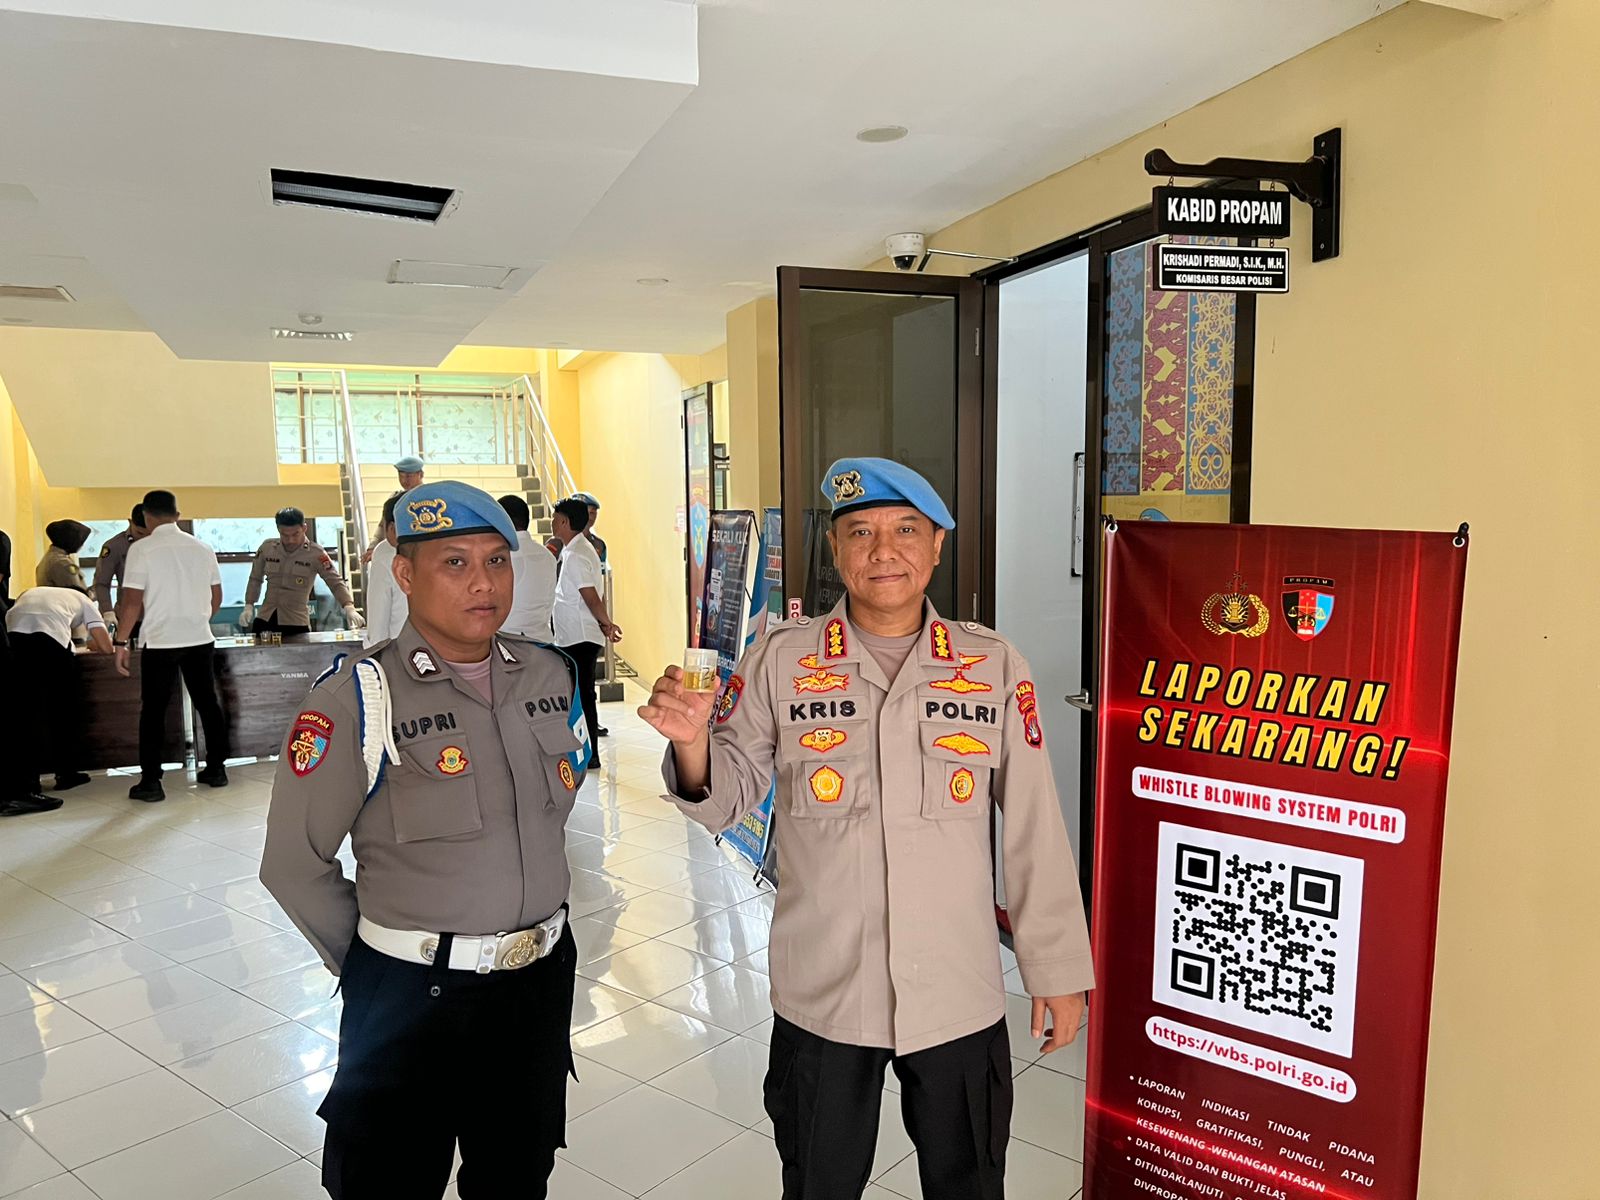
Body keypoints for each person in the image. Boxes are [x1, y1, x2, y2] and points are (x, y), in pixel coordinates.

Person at [639, 457, 1095, 1200]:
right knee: (818, 1183)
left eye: (906, 530)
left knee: (970, 1184)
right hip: (824, 991)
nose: (884, 551)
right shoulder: (781, 660)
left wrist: (1058, 970)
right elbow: (725, 800)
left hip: (956, 991)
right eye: (861, 533)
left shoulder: (991, 665)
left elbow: (1035, 826)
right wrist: (693, 744)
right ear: (836, 549)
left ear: (938, 544)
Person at [260, 481, 589, 1200]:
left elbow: (551, 813)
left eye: (497, 560)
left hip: (536, 984)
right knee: (389, 1183)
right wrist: (381, 961)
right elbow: (291, 864)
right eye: (455, 563)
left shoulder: (549, 674)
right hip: (411, 998)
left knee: (517, 1176)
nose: (484, 583)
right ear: (404, 574)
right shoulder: (357, 696)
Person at [114, 490, 231, 802]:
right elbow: (216, 597)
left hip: (160, 641)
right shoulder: (203, 548)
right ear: (177, 515)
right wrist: (196, 618)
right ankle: (216, 769)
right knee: (208, 703)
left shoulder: (142, 549)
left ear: (146, 516)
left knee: (154, 710)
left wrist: (121, 642)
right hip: (199, 638)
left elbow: (131, 602)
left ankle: (151, 782)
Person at [7, 585, 112, 798]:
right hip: (50, 641)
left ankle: (29, 783)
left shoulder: (33, 591)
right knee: (62, 712)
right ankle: (66, 774)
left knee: (26, 714)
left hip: (14, 637)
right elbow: (106, 646)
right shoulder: (85, 600)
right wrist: (96, 644)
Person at [551, 498, 619, 769]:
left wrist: (607, 623)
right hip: (575, 634)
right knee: (581, 694)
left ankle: (590, 754)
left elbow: (590, 596)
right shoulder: (575, 549)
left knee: (583, 695)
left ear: (564, 522)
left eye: (556, 518)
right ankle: (584, 750)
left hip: (578, 637)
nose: (553, 523)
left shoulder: (577, 554)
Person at [241, 507, 363, 636]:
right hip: (265, 619)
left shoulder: (316, 554)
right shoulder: (267, 548)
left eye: (295, 534)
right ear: (278, 529)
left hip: (295, 622)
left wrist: (348, 607)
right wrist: (249, 604)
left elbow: (335, 582)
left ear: (304, 528)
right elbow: (255, 579)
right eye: (285, 535)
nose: (290, 540)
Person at [497, 494, 556, 641]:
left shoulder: (506, 557)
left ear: (504, 521)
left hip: (510, 641)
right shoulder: (547, 555)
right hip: (543, 640)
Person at [93, 503, 149, 631]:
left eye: (149, 534)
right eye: (140, 533)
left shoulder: (163, 544)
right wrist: (107, 610)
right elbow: (101, 583)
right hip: (128, 617)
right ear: (130, 522)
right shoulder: (114, 546)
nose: (144, 538)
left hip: (160, 615)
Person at [362, 492, 409, 647]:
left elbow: (378, 620)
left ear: (392, 528)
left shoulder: (384, 553)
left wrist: (374, 652)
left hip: (400, 651)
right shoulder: (436, 549)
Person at [364, 456, 425, 566]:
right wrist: (372, 547)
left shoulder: (429, 498)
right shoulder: (395, 498)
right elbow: (383, 526)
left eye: (408, 476)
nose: (404, 480)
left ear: (421, 474)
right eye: (401, 476)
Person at [36, 520, 93, 593]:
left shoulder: (49, 559)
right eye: (80, 541)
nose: (81, 545)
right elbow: (77, 593)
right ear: (71, 540)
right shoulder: (62, 563)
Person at [569, 491, 607, 563]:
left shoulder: (599, 544)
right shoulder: (561, 541)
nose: (589, 517)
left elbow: (601, 568)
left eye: (592, 512)